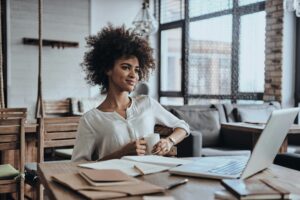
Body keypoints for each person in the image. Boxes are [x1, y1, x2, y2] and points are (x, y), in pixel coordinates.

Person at [72, 25, 190, 161]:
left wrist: (169, 141)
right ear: (107, 69)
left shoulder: (147, 103)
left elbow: (183, 126)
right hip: (116, 181)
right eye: (126, 67)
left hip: (152, 175)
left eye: (137, 70)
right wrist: (121, 154)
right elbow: (78, 164)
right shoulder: (90, 120)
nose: (134, 75)